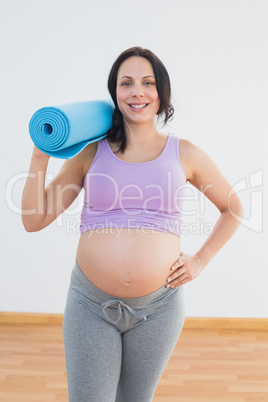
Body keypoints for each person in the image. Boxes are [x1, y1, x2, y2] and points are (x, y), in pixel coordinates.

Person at [21, 46, 244, 402]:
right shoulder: (91, 153)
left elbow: (233, 209)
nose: (137, 91)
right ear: (115, 94)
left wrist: (201, 260)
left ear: (162, 93)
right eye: (126, 83)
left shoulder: (185, 153)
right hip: (90, 305)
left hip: (159, 308)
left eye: (147, 82)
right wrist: (39, 154)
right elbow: (34, 220)